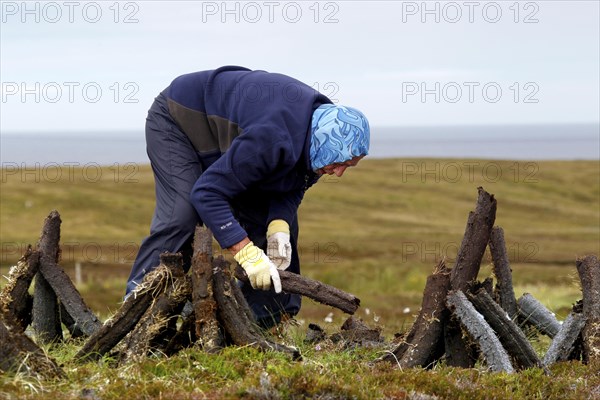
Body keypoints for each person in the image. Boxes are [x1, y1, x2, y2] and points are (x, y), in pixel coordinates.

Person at [126, 66, 370, 327]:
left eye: (349, 166)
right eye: (341, 162)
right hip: (179, 120)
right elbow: (207, 193)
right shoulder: (273, 138)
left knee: (268, 222)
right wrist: (245, 253)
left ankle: (261, 322)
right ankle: (138, 312)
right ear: (326, 142)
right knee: (182, 214)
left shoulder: (320, 139)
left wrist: (279, 225)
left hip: (235, 136)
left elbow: (291, 185)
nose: (340, 172)